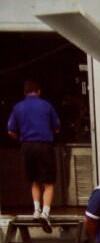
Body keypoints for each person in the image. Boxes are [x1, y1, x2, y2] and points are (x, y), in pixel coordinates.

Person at [7, 79, 61, 233]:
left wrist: (22, 139)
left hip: (27, 146)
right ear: (39, 91)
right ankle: (45, 213)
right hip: (44, 145)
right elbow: (57, 128)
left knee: (34, 180)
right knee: (49, 182)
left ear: (25, 93)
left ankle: (36, 210)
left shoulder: (17, 107)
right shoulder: (46, 105)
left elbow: (10, 130)